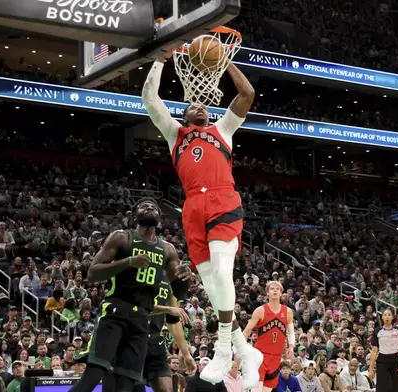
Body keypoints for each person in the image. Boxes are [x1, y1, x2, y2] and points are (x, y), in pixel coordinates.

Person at [142, 50, 262, 388]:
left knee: (224, 271)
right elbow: (149, 98)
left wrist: (225, 63)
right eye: (193, 105)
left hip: (223, 198)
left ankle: (225, 346)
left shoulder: (223, 128)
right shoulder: (174, 134)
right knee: (212, 287)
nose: (200, 107)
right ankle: (245, 350)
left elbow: (247, 94)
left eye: (203, 106)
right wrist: (161, 59)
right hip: (193, 208)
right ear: (184, 113)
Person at [70, 199, 190, 392]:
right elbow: (92, 273)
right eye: (144, 206)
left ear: (160, 217)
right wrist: (128, 262)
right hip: (116, 311)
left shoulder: (168, 249)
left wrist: (186, 278)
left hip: (142, 320)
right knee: (94, 375)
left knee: (126, 384)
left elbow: (179, 291)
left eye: (154, 207)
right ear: (135, 215)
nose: (149, 208)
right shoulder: (122, 238)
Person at [102, 273, 196, 392]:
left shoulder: (167, 279)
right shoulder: (129, 271)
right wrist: (168, 309)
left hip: (155, 343)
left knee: (167, 389)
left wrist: (186, 354)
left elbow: (173, 321)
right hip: (130, 341)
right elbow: (131, 308)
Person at [243, 281, 294, 392]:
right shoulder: (260, 310)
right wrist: (239, 348)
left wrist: (291, 346)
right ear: (267, 293)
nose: (275, 290)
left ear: (281, 293)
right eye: (272, 288)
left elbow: (290, 332)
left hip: (276, 358)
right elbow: (247, 331)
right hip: (260, 357)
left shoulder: (288, 312)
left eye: (277, 289)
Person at [369, 308, 398, 392]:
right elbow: (374, 351)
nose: (387, 317)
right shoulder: (377, 331)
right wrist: (371, 369)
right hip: (382, 360)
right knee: (381, 387)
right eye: (385, 315)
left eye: (389, 315)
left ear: (392, 317)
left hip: (396, 360)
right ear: (382, 317)